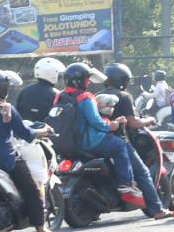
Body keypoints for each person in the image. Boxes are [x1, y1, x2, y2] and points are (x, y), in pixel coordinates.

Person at [0, 70, 59, 232]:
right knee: (32, 188)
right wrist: (44, 131)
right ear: (3, 88)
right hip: (4, 159)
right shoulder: (6, 109)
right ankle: (41, 230)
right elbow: (26, 133)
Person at [59, 63, 146, 207]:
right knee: (119, 145)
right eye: (87, 79)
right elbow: (96, 122)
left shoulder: (60, 96)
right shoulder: (85, 97)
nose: (89, 82)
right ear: (80, 81)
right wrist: (112, 125)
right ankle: (126, 184)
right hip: (90, 141)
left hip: (70, 142)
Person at [102, 63, 171, 219]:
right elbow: (132, 122)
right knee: (143, 173)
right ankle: (157, 210)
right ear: (122, 80)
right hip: (120, 140)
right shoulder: (124, 96)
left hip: (102, 140)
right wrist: (149, 120)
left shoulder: (99, 95)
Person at [15, 57, 65, 123]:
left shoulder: (25, 91)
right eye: (59, 75)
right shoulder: (57, 94)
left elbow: (17, 113)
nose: (59, 77)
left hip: (24, 131)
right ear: (53, 74)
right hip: (47, 131)